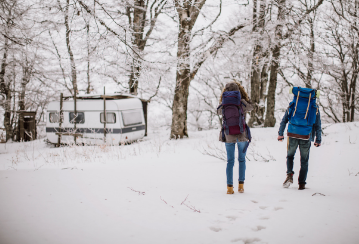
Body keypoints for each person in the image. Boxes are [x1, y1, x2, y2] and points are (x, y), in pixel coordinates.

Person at [217, 81, 254, 194]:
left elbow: (218, 112)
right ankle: (241, 186)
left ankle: (229, 188)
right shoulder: (241, 102)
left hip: (228, 135)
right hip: (241, 134)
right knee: (241, 160)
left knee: (230, 161)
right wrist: (246, 97)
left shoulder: (223, 103)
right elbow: (251, 107)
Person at [278, 102, 322, 190]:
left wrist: (280, 133)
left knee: (290, 156)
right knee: (304, 161)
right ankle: (302, 183)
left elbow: (284, 120)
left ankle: (289, 175)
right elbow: (317, 124)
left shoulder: (294, 104)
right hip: (306, 136)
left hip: (292, 134)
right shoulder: (314, 107)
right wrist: (318, 139)